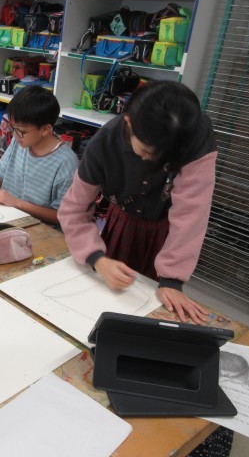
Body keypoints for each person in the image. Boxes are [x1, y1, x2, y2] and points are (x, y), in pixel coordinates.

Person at [58, 80, 217, 324]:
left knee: (151, 312)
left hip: (168, 233)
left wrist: (172, 280)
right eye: (146, 151)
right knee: (106, 301)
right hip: (122, 224)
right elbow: (73, 210)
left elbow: (191, 214)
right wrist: (97, 258)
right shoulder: (104, 144)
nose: (152, 161)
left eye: (163, 156)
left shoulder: (194, 138)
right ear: (129, 122)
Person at [0, 86, 78, 225]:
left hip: (40, 228)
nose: (14, 135)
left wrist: (17, 203)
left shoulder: (65, 162)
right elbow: (0, 175)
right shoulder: (20, 142)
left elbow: (61, 217)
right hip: (9, 218)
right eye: (12, 128)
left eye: (21, 131)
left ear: (45, 129)